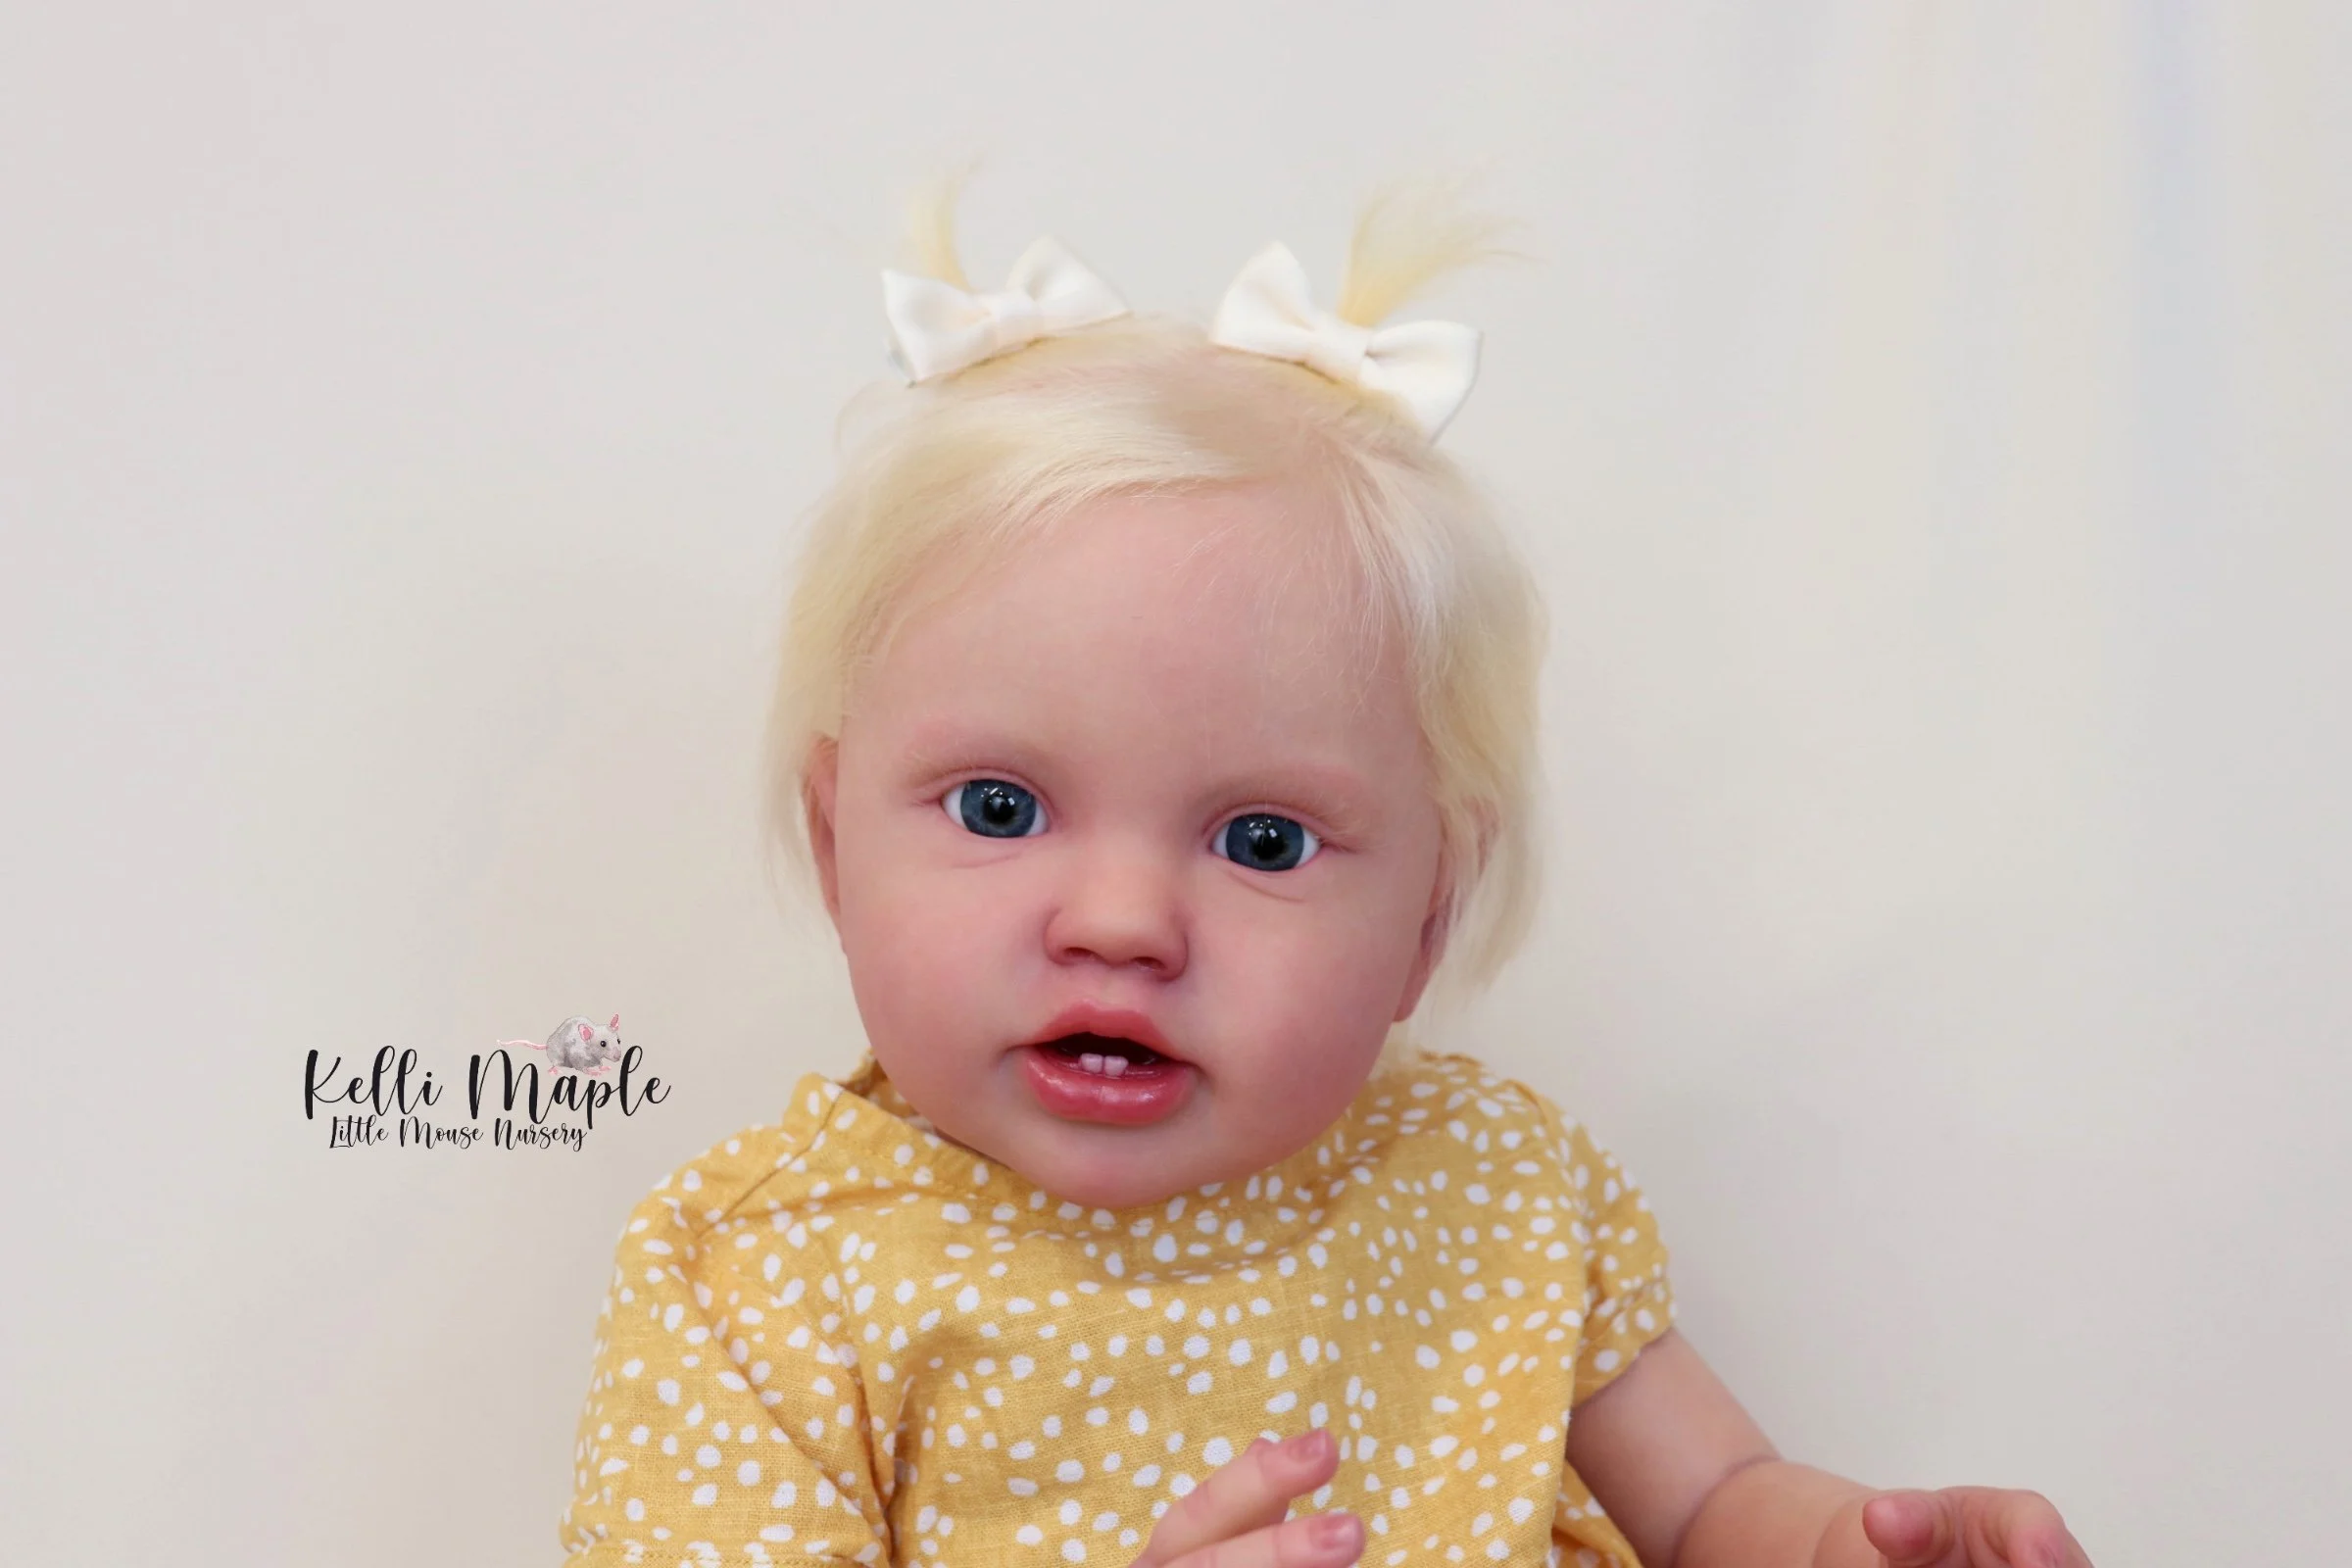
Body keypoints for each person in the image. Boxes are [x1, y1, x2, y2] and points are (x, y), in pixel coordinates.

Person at [556, 176, 2097, 1568]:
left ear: (1427, 918)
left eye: (1262, 841)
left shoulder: (1491, 1186)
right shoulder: (765, 1276)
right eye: (1002, 808)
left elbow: (1708, 1504)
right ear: (837, 843)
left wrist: (1832, 1543)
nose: (1121, 923)